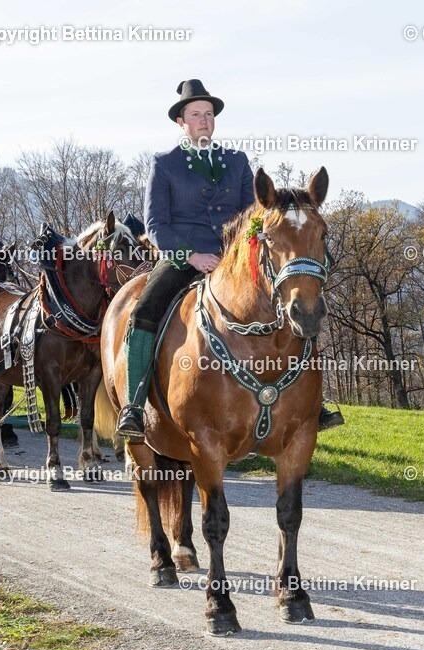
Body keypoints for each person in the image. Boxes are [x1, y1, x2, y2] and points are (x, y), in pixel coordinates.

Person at [115, 79, 343, 439]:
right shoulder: (164, 164)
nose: (204, 119)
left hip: (234, 261)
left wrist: (235, 255)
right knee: (143, 311)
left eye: (208, 114)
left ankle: (315, 403)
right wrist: (190, 255)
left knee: (296, 303)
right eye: (196, 114)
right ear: (181, 122)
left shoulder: (236, 162)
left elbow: (254, 216)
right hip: (180, 258)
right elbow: (156, 224)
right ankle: (132, 406)